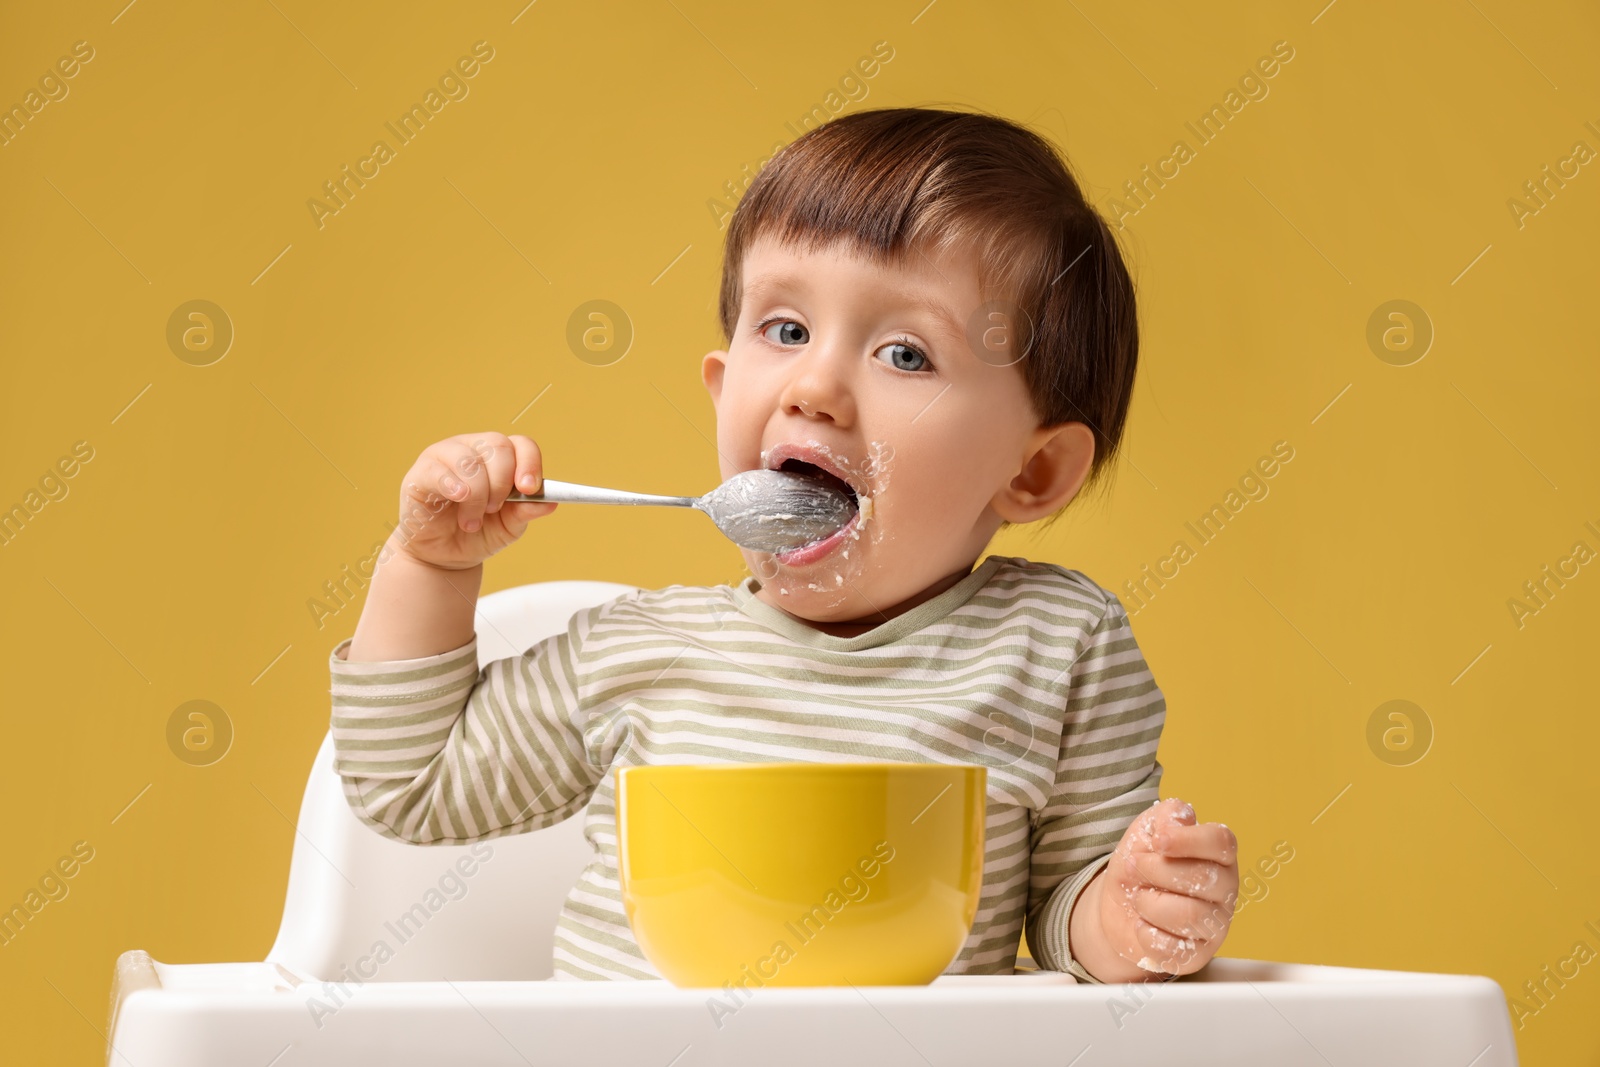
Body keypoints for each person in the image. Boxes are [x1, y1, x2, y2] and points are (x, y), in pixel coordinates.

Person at [329, 107, 1239, 984]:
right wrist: (429, 566)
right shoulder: (638, 651)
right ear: (724, 388)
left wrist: (1127, 912)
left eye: (906, 354)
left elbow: (1068, 909)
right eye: (788, 330)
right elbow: (408, 783)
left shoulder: (1059, 645)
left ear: (1032, 471)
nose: (814, 385)